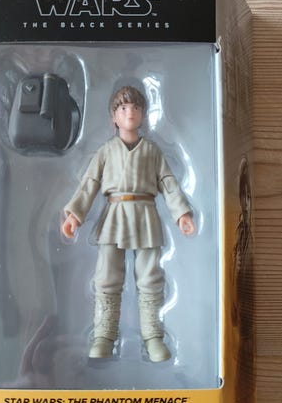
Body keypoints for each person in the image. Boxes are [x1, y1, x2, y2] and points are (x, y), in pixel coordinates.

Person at [61, 86, 196, 362]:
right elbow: (90, 183)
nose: (130, 113)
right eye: (123, 109)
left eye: (135, 108)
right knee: (107, 276)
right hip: (115, 215)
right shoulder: (106, 151)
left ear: (143, 114)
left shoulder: (152, 151)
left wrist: (182, 213)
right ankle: (104, 335)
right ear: (114, 116)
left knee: (150, 277)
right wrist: (75, 215)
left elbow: (168, 183)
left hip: (146, 215)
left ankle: (153, 337)